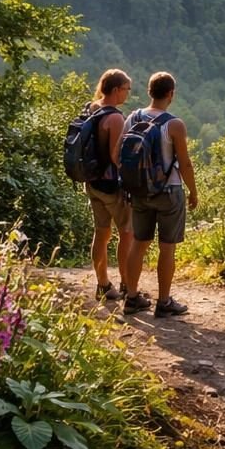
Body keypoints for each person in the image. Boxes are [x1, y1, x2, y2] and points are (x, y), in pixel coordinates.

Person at [121, 72, 199, 317]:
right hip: (169, 192)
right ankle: (163, 302)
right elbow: (185, 164)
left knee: (138, 244)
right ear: (171, 94)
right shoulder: (174, 124)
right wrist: (193, 192)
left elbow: (119, 154)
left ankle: (132, 298)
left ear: (149, 92)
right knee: (167, 248)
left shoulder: (133, 117)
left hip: (139, 191)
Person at [84, 69, 137, 304]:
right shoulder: (115, 117)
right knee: (127, 233)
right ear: (116, 89)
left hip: (92, 181)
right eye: (126, 89)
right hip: (111, 185)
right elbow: (118, 157)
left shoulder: (91, 109)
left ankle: (103, 284)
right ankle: (127, 285)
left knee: (101, 233)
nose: (127, 93)